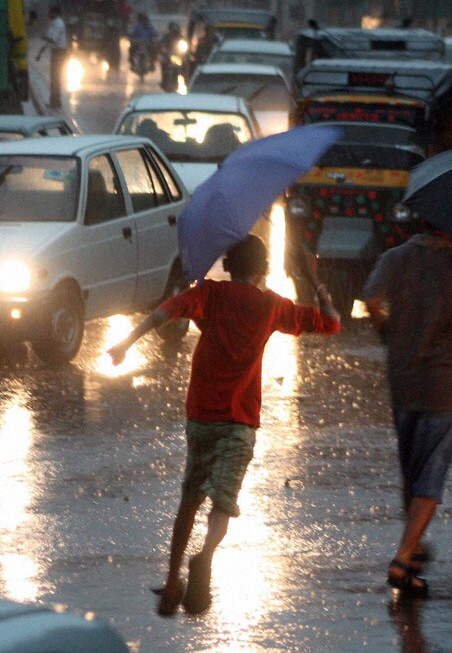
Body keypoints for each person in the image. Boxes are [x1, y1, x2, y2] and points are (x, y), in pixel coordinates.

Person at [108, 234, 341, 616]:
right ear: (262, 268)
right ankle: (206, 554)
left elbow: (162, 314)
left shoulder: (209, 295)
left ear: (229, 264)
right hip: (240, 422)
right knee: (222, 503)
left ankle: (171, 578)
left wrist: (124, 345)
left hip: (201, 415)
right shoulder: (271, 306)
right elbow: (331, 324)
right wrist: (314, 280)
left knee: (189, 499)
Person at [362, 223, 452, 596]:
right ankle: (403, 556)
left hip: (403, 379)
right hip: (443, 385)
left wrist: (389, 333)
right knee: (430, 477)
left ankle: (412, 559)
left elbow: (371, 300)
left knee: (411, 472)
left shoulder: (393, 259)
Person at [40, 4, 67, 109]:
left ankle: (56, 102)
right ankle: (54, 101)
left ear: (55, 13)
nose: (48, 14)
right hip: (56, 52)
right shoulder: (54, 23)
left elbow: (53, 40)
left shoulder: (59, 24)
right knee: (54, 77)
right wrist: (40, 53)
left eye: (50, 12)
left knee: (56, 77)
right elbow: (49, 40)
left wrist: (44, 37)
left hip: (59, 53)